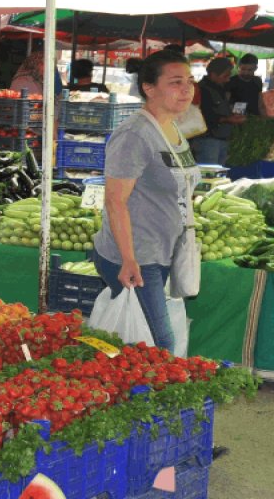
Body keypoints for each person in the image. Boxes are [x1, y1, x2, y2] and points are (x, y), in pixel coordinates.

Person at [91, 49, 200, 353]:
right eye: (176, 82)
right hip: (137, 255)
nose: (186, 89)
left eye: (190, 81)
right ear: (149, 88)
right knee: (160, 344)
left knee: (142, 343)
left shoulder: (172, 126)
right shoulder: (135, 135)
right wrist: (128, 259)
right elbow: (115, 201)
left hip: (162, 249)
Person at [190, 57, 243, 165]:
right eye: (225, 76)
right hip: (208, 140)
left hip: (222, 139)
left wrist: (231, 115)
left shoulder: (219, 88)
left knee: (220, 172)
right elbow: (205, 116)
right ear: (213, 75)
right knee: (209, 172)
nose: (228, 80)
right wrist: (228, 119)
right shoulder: (202, 90)